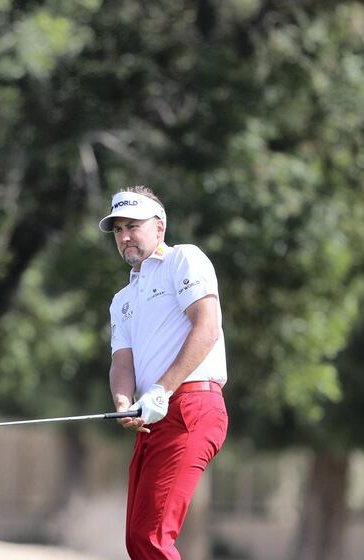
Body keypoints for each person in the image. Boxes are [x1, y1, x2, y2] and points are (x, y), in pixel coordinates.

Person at [99, 186, 228, 559]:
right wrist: (124, 400)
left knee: (152, 539)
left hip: (192, 406)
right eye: (118, 229)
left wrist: (161, 390)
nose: (124, 236)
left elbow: (206, 327)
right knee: (138, 541)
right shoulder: (122, 300)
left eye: (133, 226)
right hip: (152, 416)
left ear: (159, 226)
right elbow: (122, 362)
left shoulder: (183, 259)